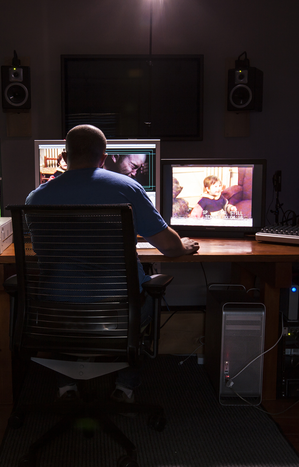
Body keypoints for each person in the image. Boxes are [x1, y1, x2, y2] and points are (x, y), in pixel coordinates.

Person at [26, 124, 199, 403]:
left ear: (65, 157)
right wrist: (183, 246)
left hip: (57, 317)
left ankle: (66, 388)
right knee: (148, 293)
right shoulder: (127, 188)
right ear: (104, 158)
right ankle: (124, 388)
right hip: (117, 317)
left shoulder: (36, 198)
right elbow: (168, 247)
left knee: (63, 301)